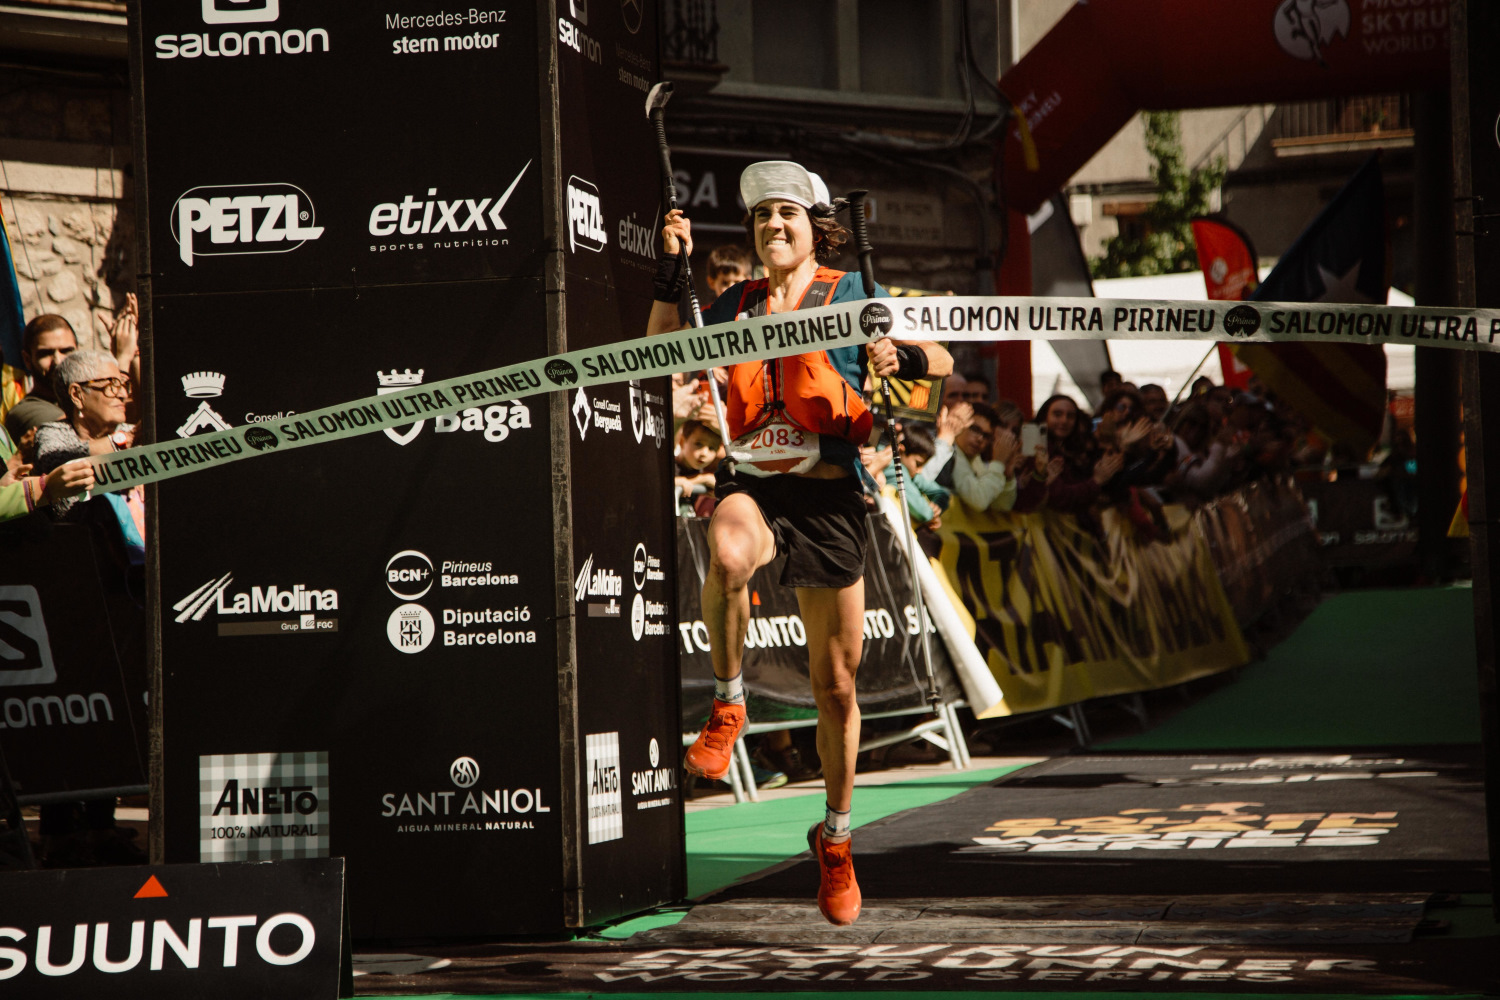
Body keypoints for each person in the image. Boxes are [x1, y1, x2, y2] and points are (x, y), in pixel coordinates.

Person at [646, 160, 952, 926]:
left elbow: (941, 363)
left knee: (837, 688)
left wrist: (901, 359)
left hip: (831, 496)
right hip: (757, 484)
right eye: (761, 218)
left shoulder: (851, 292)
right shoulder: (738, 301)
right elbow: (654, 352)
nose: (773, 228)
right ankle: (727, 703)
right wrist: (668, 271)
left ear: (816, 226)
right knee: (726, 553)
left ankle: (837, 840)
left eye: (787, 215)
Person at [33, 350, 144, 561]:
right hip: (82, 563)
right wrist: (126, 442)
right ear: (77, 394)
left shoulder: (131, 433)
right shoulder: (53, 434)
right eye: (112, 384)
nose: (122, 394)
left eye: (123, 385)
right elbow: (58, 459)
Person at [20, 314, 78, 406]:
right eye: (46, 353)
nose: (58, 361)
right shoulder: (26, 412)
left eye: (65, 351)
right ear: (27, 359)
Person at [675, 418, 722, 516]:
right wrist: (700, 480)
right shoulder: (669, 465)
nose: (704, 453)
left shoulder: (700, 471)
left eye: (711, 448)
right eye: (698, 444)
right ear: (682, 442)